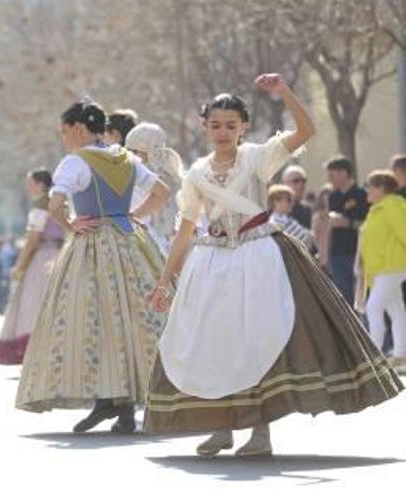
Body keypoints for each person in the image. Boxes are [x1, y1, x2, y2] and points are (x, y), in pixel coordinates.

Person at [144, 75, 402, 457]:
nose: (223, 131)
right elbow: (186, 229)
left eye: (231, 125)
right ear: (204, 126)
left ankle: (260, 430)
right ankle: (222, 426)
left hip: (259, 255)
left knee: (257, 340)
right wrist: (165, 282)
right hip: (213, 261)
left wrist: (284, 94)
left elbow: (306, 130)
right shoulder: (197, 173)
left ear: (243, 127)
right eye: (215, 124)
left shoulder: (256, 157)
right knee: (215, 343)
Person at [16, 97, 171, 435]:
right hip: (129, 242)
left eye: (64, 131)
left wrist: (72, 224)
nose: (63, 137)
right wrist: (132, 216)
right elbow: (161, 191)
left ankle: (107, 398)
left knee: (91, 318)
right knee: (132, 319)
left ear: (79, 128)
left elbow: (54, 204)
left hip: (92, 245)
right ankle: (126, 404)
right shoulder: (126, 157)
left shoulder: (75, 162)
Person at [0, 169, 64, 365]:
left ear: (41, 184)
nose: (28, 188)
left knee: (33, 304)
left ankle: (36, 351)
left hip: (43, 258)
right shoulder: (61, 201)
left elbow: (33, 239)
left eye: (31, 183)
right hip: (63, 255)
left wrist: (20, 265)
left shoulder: (39, 207)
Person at [355, 171, 406, 372]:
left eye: (370, 186)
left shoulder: (391, 206)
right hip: (382, 268)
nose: (367, 190)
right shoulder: (377, 209)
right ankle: (400, 355)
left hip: (393, 266)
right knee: (396, 309)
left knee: (373, 307)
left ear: (381, 188)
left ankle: (374, 357)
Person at [124, 122, 184, 252]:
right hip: (156, 240)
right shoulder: (169, 174)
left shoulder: (147, 177)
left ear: (146, 151)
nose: (129, 155)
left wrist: (129, 218)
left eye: (133, 151)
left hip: (150, 242)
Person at [326, 156, 369, 303]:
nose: (329, 179)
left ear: (344, 173)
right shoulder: (332, 196)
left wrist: (348, 223)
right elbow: (329, 228)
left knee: (361, 298)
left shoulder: (362, 195)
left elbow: (368, 224)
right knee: (343, 300)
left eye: (332, 175)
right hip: (338, 254)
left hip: (359, 253)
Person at [267, 184, 314, 249]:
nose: (292, 203)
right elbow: (305, 239)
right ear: (276, 202)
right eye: (288, 200)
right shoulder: (277, 222)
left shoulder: (284, 219)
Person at [311, 187, 333, 270]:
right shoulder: (317, 217)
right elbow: (316, 238)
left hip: (336, 258)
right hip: (323, 260)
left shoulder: (335, 216)